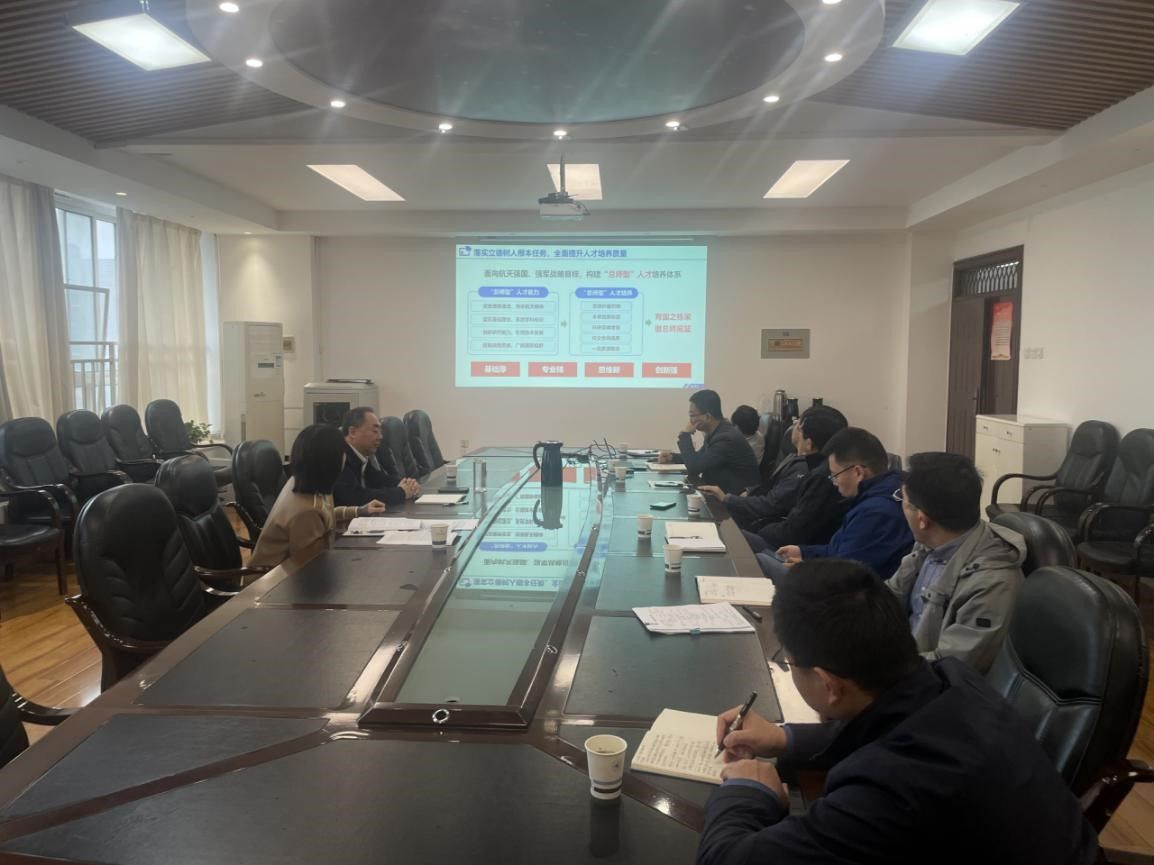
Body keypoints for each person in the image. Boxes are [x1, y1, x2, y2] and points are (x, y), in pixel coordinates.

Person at [699, 559, 1100, 865]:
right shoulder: (950, 679)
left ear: (828, 684)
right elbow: (882, 724)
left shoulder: (888, 790)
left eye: (789, 662)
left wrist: (748, 791)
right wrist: (784, 737)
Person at [887, 452, 1026, 673]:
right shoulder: (929, 544)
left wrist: (877, 670)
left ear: (922, 519)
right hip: (901, 657)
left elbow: (950, 667)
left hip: (926, 680)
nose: (900, 506)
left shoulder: (993, 584)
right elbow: (889, 595)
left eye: (901, 500)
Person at [761, 427, 911, 580]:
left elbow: (846, 574)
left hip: (844, 590)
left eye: (835, 475)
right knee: (763, 555)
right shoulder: (880, 493)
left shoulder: (876, 512)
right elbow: (841, 551)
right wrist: (803, 552)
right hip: (836, 577)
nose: (834, 482)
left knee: (761, 561)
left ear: (858, 472)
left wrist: (807, 567)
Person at [250, 424, 386, 568]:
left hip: (293, 571)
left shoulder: (306, 482)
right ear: (331, 461)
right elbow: (312, 565)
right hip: (272, 578)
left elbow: (325, 515)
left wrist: (359, 511)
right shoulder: (305, 511)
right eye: (343, 453)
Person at [703, 406, 847, 540]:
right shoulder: (799, 458)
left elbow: (771, 506)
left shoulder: (804, 471)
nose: (793, 426)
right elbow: (772, 488)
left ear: (809, 444)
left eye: (798, 424)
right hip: (765, 520)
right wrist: (749, 492)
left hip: (772, 533)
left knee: (720, 535)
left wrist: (726, 499)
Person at [656, 389, 759, 494]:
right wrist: (673, 457)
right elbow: (700, 458)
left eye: (692, 415)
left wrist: (685, 435)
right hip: (720, 493)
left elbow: (694, 468)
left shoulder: (725, 438)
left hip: (734, 499)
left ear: (708, 416)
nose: (690, 421)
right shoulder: (717, 431)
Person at [333, 407, 420, 509]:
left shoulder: (360, 456)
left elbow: (380, 480)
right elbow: (354, 497)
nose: (380, 437)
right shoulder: (338, 456)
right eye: (375, 431)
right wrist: (401, 492)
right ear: (352, 432)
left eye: (380, 431)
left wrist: (407, 484)